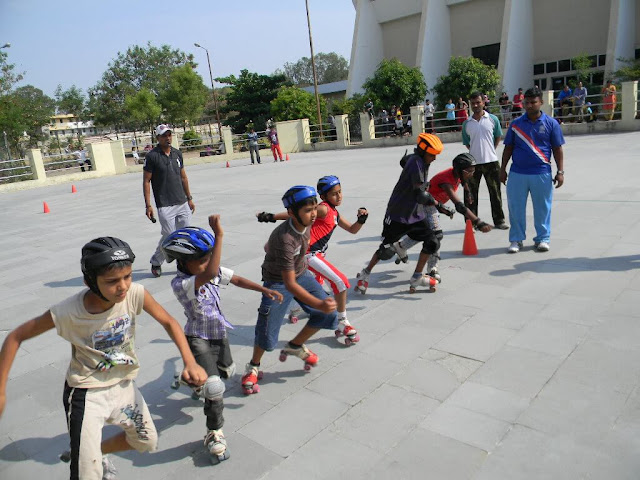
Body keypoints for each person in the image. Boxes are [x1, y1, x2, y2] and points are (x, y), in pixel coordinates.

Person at [0, 237, 207, 479]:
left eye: (127, 276)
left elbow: (169, 321)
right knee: (86, 473)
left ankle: (96, 450)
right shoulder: (68, 311)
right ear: (90, 282)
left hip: (124, 386)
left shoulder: (135, 293)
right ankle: (87, 458)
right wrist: (2, 388)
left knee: (146, 441)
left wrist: (189, 361)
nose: (123, 286)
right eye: (112, 281)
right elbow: (16, 336)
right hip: (87, 393)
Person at [162, 216, 283, 462]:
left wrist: (264, 289)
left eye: (209, 259)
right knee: (215, 387)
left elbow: (235, 278)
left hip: (219, 333)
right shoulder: (182, 283)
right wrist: (219, 236)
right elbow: (210, 272)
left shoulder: (207, 271)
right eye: (202, 260)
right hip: (197, 337)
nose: (208, 264)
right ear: (184, 262)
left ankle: (192, 379)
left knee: (227, 372)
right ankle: (214, 432)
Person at [241, 186, 338, 394]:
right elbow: (290, 283)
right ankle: (253, 366)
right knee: (266, 331)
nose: (313, 214)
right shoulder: (286, 238)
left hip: (301, 273)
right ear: (293, 213)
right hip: (278, 282)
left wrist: (271, 221)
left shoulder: (305, 220)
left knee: (329, 316)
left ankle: (295, 345)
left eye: (314, 208)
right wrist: (319, 302)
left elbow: (276, 241)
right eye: (308, 210)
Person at [256, 176, 368, 345]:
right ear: (323, 197)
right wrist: (271, 216)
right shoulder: (323, 208)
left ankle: (295, 309)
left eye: (340, 192)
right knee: (340, 282)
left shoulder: (335, 213)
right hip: (309, 254)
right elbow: (295, 213)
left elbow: (353, 230)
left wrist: (361, 220)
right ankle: (343, 321)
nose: (338, 196)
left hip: (317, 254)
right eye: (333, 194)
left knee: (313, 289)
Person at [354, 133, 445, 295]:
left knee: (432, 242)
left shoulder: (421, 160)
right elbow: (421, 195)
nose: (435, 159)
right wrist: (439, 205)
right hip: (397, 214)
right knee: (386, 251)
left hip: (415, 214)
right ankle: (365, 274)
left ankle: (417, 276)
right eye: (433, 155)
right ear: (423, 151)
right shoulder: (417, 163)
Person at [392, 153, 493, 280]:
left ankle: (401, 246)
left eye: (474, 170)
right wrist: (478, 222)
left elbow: (463, 180)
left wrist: (467, 192)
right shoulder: (446, 181)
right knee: (436, 236)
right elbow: (459, 206)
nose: (472, 174)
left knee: (425, 233)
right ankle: (432, 269)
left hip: (430, 205)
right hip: (424, 205)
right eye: (470, 171)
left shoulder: (457, 174)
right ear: (460, 170)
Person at [500, 87, 565, 253]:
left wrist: (560, 172)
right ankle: (516, 240)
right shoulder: (516, 124)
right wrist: (502, 169)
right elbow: (508, 148)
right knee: (515, 208)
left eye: (533, 102)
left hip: (542, 173)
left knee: (543, 208)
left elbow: (557, 149)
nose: (529, 105)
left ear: (541, 102)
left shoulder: (551, 124)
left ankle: (543, 238)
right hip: (517, 173)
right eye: (526, 102)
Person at [143, 124, 195, 278]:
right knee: (170, 236)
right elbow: (146, 181)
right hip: (164, 204)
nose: (168, 138)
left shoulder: (177, 154)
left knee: (185, 235)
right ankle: (156, 261)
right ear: (158, 138)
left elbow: (183, 177)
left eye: (169, 135)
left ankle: (184, 264)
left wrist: (189, 198)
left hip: (182, 202)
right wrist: (148, 205)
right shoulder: (152, 156)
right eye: (164, 135)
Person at [461, 91, 508, 229]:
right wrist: (475, 152)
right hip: (472, 164)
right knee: (470, 194)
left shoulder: (493, 119)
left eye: (478, 102)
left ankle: (499, 220)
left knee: (495, 192)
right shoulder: (467, 124)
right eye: (473, 103)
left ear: (483, 102)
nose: (475, 105)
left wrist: (490, 149)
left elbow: (498, 136)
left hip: (491, 162)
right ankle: (471, 222)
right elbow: (467, 142)